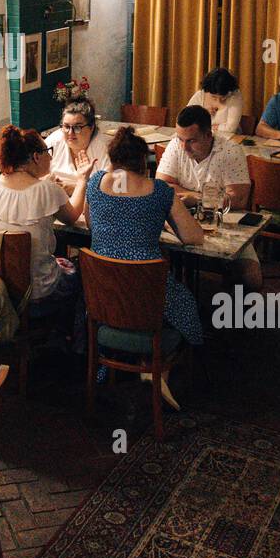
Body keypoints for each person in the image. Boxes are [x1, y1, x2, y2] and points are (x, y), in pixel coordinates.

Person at [85, 126, 205, 408]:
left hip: (104, 295)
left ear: (112, 160)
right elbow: (192, 236)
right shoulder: (160, 192)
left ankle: (131, 362)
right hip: (147, 292)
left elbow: (91, 225)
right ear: (143, 162)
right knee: (188, 303)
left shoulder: (95, 183)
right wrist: (160, 222)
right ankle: (158, 368)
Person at [0, 125, 89, 318]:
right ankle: (75, 340)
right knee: (81, 274)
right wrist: (82, 180)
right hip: (38, 292)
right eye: (48, 152)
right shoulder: (46, 190)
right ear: (36, 157)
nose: (51, 157)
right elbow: (73, 217)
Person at [156, 104, 262, 291]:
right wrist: (213, 198)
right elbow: (163, 186)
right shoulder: (176, 145)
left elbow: (238, 200)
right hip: (182, 221)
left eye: (191, 141)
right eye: (180, 139)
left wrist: (194, 198)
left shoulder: (231, 151)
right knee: (155, 261)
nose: (183, 147)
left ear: (208, 135)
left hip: (226, 225)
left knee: (251, 279)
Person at [45, 98, 111, 189]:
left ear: (91, 127)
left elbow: (112, 188)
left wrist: (75, 189)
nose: (70, 133)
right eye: (66, 126)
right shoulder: (53, 142)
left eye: (77, 127)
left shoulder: (105, 148)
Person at [186, 67, 243, 137]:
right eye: (214, 97)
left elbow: (231, 128)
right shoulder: (201, 95)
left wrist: (207, 127)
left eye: (223, 97)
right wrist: (202, 113)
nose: (219, 101)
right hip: (203, 139)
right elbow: (186, 120)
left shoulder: (235, 95)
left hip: (230, 139)